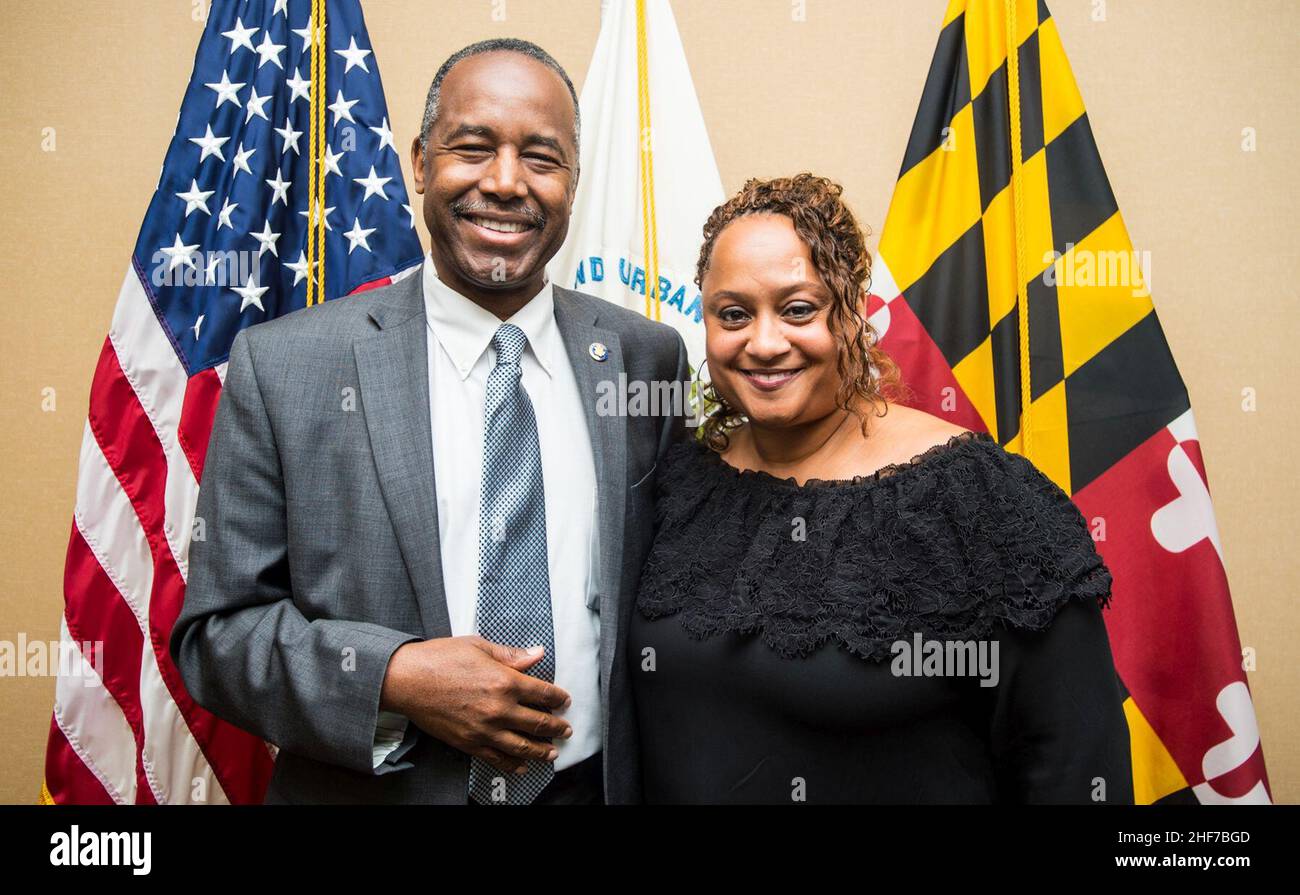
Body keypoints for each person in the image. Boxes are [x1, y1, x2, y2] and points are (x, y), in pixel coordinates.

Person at [171, 38, 688, 805]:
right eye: (472, 148)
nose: (505, 183)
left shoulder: (645, 358)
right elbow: (217, 637)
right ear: (420, 162)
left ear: (573, 184)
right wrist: (394, 675)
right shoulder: (286, 367)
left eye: (541, 159)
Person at [630, 173, 1133, 803]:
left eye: (798, 309)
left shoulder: (978, 499)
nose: (762, 342)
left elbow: (1073, 764)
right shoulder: (678, 479)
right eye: (733, 314)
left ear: (854, 312)